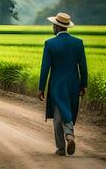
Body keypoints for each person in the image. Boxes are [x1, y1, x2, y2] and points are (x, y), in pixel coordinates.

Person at [38, 12, 88, 156]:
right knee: (67, 111)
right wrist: (83, 84)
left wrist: (41, 87)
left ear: (57, 27)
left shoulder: (50, 43)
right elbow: (83, 67)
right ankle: (69, 135)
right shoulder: (78, 43)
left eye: (53, 25)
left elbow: (45, 68)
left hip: (57, 85)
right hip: (73, 84)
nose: (52, 27)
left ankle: (61, 147)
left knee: (58, 114)